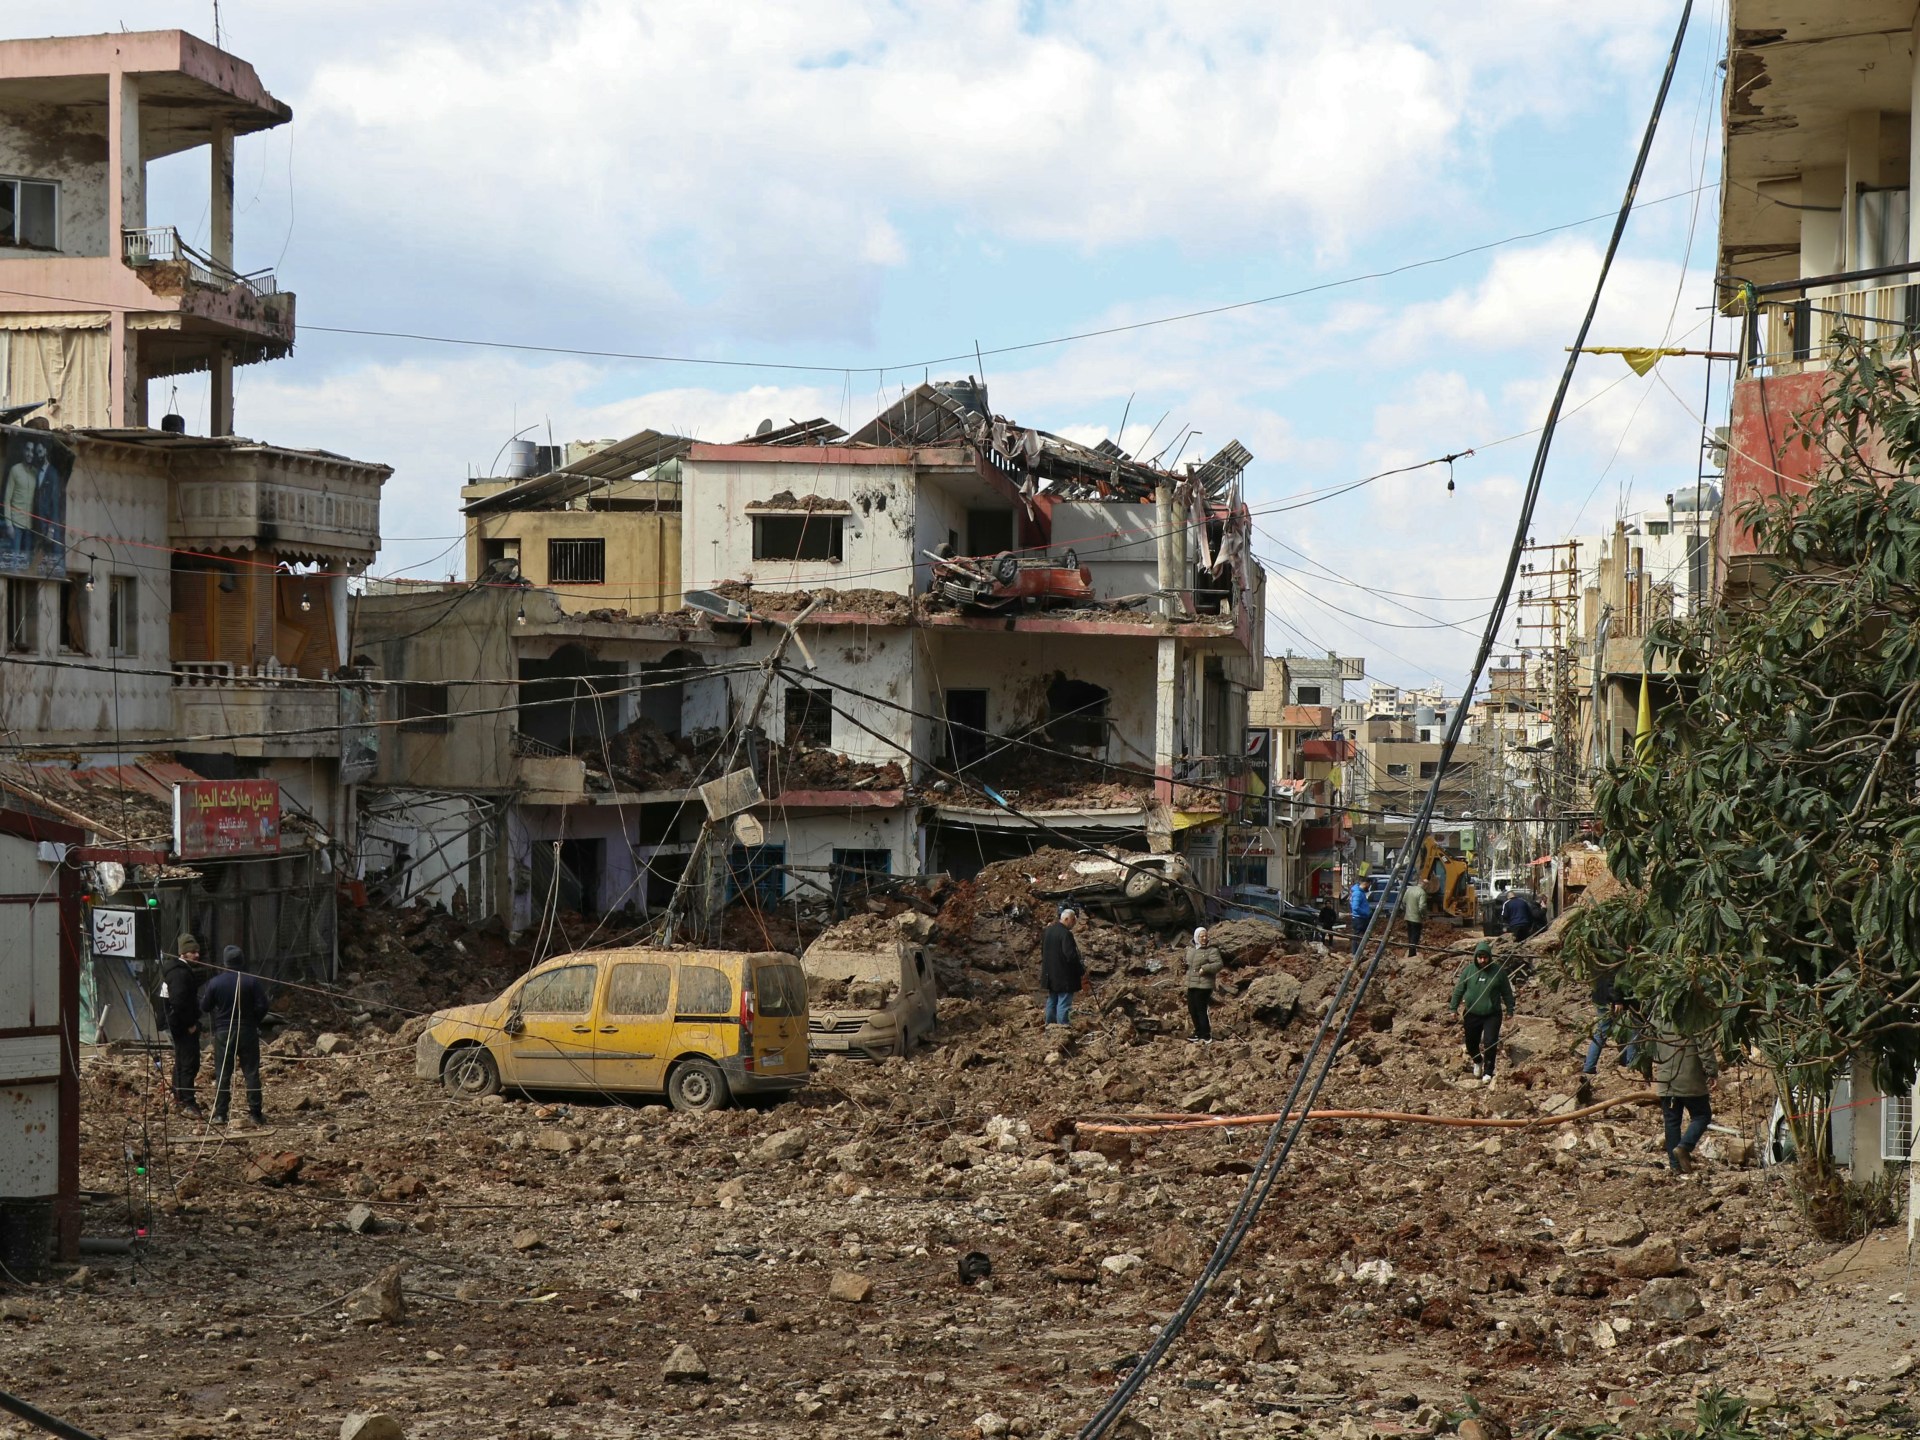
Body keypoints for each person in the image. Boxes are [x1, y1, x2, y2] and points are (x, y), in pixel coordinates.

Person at [199, 944, 272, 1126]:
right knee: (251, 1072)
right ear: (242, 961)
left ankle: (220, 1114)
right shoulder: (252, 981)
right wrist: (254, 1020)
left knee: (223, 1073)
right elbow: (263, 1005)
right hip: (247, 1031)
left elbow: (205, 1006)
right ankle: (255, 1114)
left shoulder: (215, 983)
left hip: (224, 1032)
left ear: (225, 962)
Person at [1650, 1022, 1718, 1174]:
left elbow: (1648, 1047)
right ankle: (1684, 1146)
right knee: (1702, 1115)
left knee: (1672, 1122)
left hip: (1666, 1080)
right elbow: (1704, 1045)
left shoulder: (1655, 1020)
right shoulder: (1692, 1018)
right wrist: (1712, 1071)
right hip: (1690, 1080)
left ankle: (1675, 1166)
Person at [1448, 940, 1515, 1084]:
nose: (1483, 960)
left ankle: (1488, 1072)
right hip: (1472, 1013)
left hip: (1492, 1014)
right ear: (1476, 957)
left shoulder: (1498, 972)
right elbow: (1459, 990)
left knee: (1490, 1042)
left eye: (1485, 957)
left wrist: (1510, 1009)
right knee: (1471, 1043)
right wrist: (1453, 1008)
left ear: (1490, 957)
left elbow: (1507, 992)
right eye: (1480, 957)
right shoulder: (1468, 971)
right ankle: (1477, 1060)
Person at [158, 932, 205, 1117]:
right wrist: (190, 1024)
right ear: (183, 953)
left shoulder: (177, 970)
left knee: (181, 1061)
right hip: (182, 1026)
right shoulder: (179, 973)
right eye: (193, 952)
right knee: (188, 1063)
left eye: (197, 951)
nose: (197, 955)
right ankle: (187, 1102)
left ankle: (179, 1098)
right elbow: (179, 1002)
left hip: (176, 1024)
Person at [1581, 969, 1640, 1075]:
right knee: (1632, 1031)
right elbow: (1612, 979)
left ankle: (1589, 1066)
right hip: (1612, 1001)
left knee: (1605, 1033)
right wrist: (1617, 1000)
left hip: (1601, 998)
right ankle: (1631, 1066)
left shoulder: (1599, 961)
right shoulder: (1615, 961)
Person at [1039, 907, 1084, 1029]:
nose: (1073, 924)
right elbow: (1070, 955)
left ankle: (1050, 1026)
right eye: (1073, 921)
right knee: (1064, 1002)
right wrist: (1080, 970)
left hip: (1050, 974)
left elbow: (1043, 951)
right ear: (1067, 919)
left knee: (1052, 1000)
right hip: (1064, 976)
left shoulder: (1048, 931)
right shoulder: (1065, 934)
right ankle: (1062, 1029)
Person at [1184, 926, 1225, 1043]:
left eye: (1205, 936)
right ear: (1196, 937)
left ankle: (1206, 1035)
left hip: (1204, 984)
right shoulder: (1191, 948)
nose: (1204, 938)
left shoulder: (1211, 950)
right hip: (1192, 983)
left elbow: (1218, 964)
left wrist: (1206, 968)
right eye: (1201, 936)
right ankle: (1198, 1033)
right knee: (1192, 1009)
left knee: (1201, 1009)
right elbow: (1189, 963)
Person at [1401, 880, 1429, 957]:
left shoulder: (1409, 889)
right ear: (1425, 885)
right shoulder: (1422, 892)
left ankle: (1411, 951)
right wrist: (1424, 915)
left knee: (1410, 934)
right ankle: (1412, 953)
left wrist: (1406, 911)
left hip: (1408, 917)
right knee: (1415, 936)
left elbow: (1404, 901)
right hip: (1416, 918)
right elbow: (1422, 907)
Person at [1348, 876, 1373, 957]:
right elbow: (1355, 907)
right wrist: (1366, 913)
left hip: (1361, 918)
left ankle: (1358, 953)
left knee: (1360, 937)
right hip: (1359, 919)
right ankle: (1356, 954)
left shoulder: (1360, 892)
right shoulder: (1358, 893)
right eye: (1369, 885)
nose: (1369, 887)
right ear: (1365, 883)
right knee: (1357, 937)